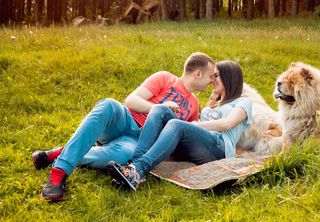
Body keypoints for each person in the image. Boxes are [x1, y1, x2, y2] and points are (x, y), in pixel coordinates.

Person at [32, 52, 215, 201]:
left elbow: (185, 134)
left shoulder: (194, 105)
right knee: (108, 105)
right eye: (210, 76)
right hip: (124, 120)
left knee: (122, 156)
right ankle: (58, 174)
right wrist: (158, 108)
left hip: (138, 142)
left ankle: (59, 153)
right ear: (198, 73)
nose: (212, 81)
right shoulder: (165, 78)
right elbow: (131, 100)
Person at [107, 60, 252, 191]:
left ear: (229, 78)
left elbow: (227, 124)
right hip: (200, 145)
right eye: (212, 76)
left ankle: (139, 169)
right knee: (160, 109)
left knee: (177, 124)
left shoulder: (243, 102)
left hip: (220, 148)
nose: (211, 80)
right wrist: (193, 125)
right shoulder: (211, 105)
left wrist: (195, 124)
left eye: (216, 76)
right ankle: (134, 167)